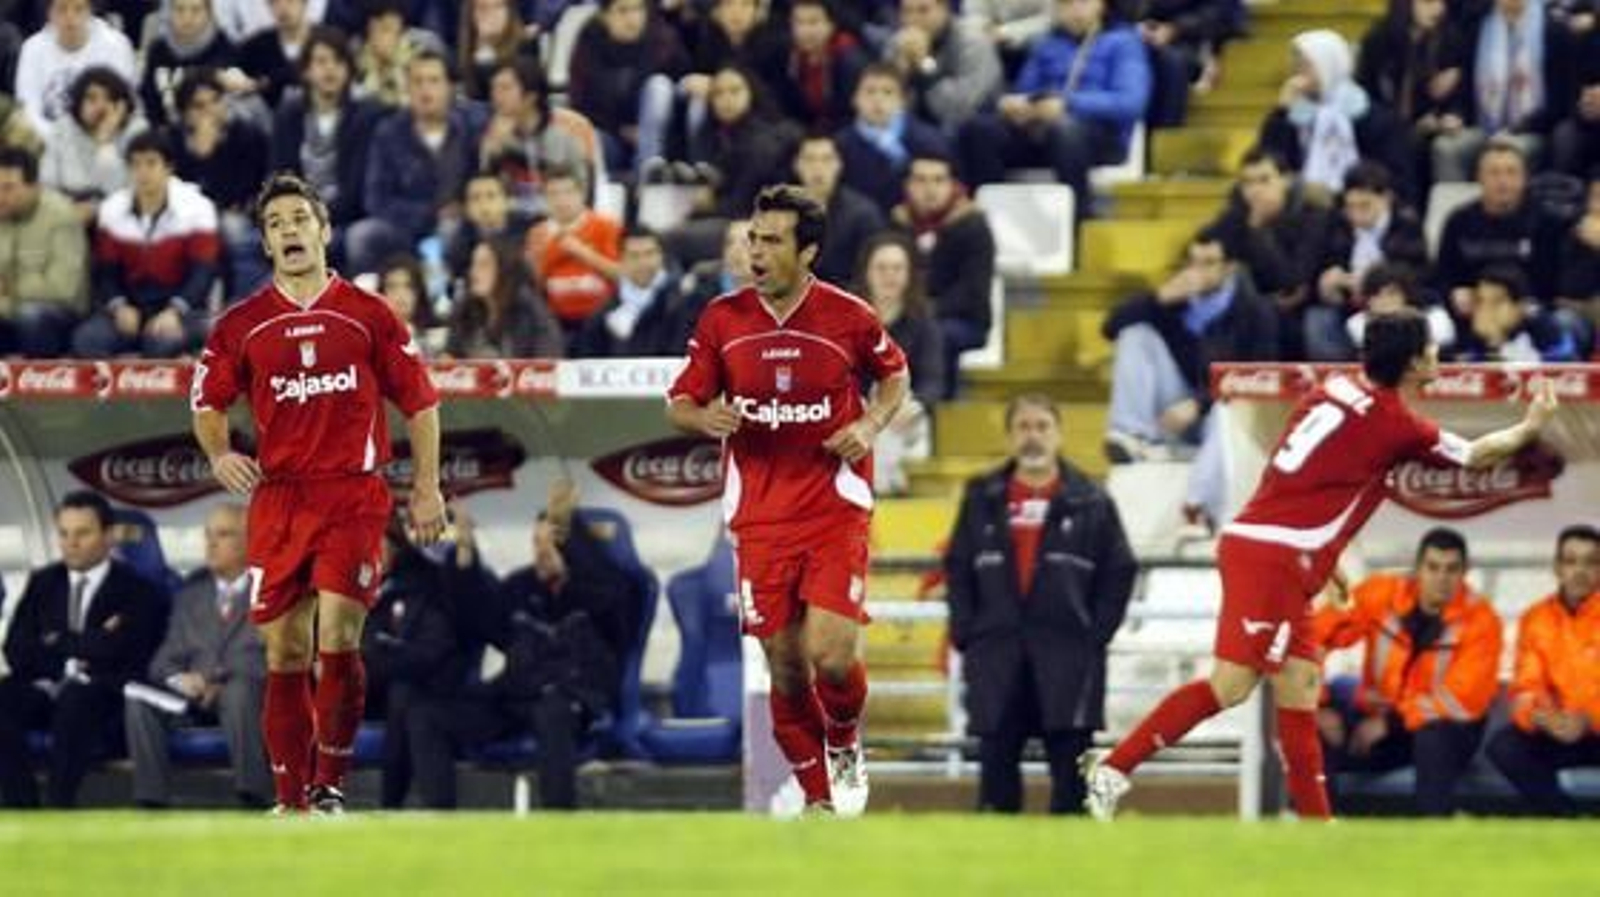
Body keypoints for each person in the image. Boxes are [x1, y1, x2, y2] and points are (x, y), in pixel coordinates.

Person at [1082, 309, 1560, 821]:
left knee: (1301, 683)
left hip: (1279, 548)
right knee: (1232, 686)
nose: (1438, 354)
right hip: (1275, 557)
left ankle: (1317, 826)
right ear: (1413, 359)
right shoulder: (1395, 422)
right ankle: (1113, 770)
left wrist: (1324, 557)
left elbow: (1307, 475)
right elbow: (1477, 455)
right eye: (1431, 347)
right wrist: (1531, 425)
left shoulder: (1335, 386)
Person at [189, 172, 444, 814]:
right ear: (267, 245)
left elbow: (420, 401)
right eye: (276, 225)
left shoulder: (368, 313)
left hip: (352, 495)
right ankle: (290, 800)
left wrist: (428, 487)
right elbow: (206, 401)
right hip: (279, 499)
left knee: (339, 633)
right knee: (286, 649)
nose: (289, 231)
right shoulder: (242, 324)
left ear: (324, 231)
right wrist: (220, 453)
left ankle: (329, 785)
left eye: (300, 219)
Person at [667, 185, 910, 815]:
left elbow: (895, 374)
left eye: (772, 240)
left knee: (831, 655)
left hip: (834, 508)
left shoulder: (848, 317)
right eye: (753, 237)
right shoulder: (723, 319)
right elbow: (680, 401)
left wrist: (871, 425)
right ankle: (818, 800)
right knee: (786, 667)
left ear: (808, 252)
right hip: (760, 519)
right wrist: (705, 419)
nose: (757, 251)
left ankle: (846, 742)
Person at [945, 394, 1137, 813]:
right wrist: (967, 634)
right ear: (1010, 436)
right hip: (996, 654)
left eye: (1042, 427)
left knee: (1071, 786)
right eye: (1024, 427)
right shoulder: (982, 496)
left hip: (1069, 657)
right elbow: (958, 568)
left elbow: (1120, 571)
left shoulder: (1092, 499)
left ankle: (1072, 870)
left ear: (1059, 434)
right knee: (995, 780)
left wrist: (1093, 636)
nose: (1033, 437)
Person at [405, 489, 636, 810]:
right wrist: (466, 550)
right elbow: (478, 617)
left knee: (552, 710)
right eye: (537, 544)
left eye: (550, 544)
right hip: (515, 697)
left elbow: (612, 606)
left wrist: (569, 569)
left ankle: (559, 827)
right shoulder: (520, 586)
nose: (542, 552)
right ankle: (442, 823)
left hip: (571, 699)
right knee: (426, 716)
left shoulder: (603, 589)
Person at [1311, 527, 1503, 816]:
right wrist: (1320, 705)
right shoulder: (1381, 594)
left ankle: (1432, 834)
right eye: (1433, 567)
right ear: (1417, 569)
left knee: (1433, 737)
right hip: (1380, 725)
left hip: (1448, 732)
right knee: (1313, 728)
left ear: (1465, 573)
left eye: (1452, 569)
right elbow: (1311, 637)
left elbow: (1462, 700)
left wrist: (1391, 723)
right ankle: (1319, 829)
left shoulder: (1482, 620)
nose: (1442, 578)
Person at [0, 491, 168, 808]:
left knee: (77, 698)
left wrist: (56, 640)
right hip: (45, 686)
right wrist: (88, 642)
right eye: (64, 534)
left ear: (107, 536)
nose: (70, 543)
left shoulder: (137, 589)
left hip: (103, 694)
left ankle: (59, 805)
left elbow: (129, 655)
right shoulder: (43, 582)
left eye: (82, 533)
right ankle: (22, 807)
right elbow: (17, 650)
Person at [123, 504, 271, 809]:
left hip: (250, 693)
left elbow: (282, 657)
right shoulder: (191, 595)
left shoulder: (275, 591)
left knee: (240, 692)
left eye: (224, 534)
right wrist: (181, 679)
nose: (211, 543)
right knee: (139, 699)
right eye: (208, 535)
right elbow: (162, 663)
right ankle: (152, 801)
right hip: (191, 696)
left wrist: (219, 679)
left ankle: (254, 796)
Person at [956, 0, 1153, 212]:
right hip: (1041, 129)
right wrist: (1018, 105)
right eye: (1066, 3)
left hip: (1100, 134)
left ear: (1101, 5)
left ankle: (1079, 220)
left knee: (1065, 130)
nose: (1075, 10)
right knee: (979, 129)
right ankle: (989, 218)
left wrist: (1068, 104)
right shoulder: (1046, 43)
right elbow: (1026, 89)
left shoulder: (1124, 42)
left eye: (1083, 2)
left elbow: (1130, 102)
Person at [74, 130, 220, 358]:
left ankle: (194, 345)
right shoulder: (112, 209)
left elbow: (203, 273)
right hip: (132, 305)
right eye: (136, 165)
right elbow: (106, 272)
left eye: (151, 164)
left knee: (159, 344)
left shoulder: (197, 208)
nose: (142, 173)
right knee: (87, 340)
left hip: (184, 307)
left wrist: (175, 311)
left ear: (169, 167)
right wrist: (119, 306)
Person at [1487, 525, 1600, 816]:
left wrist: (1589, 719)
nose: (1580, 571)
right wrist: (1544, 717)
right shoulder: (1535, 618)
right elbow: (1527, 686)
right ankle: (1568, 820)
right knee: (1504, 746)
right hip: (1559, 731)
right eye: (1571, 561)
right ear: (1557, 567)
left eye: (1590, 562)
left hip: (1594, 728)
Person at [891, 152, 997, 398]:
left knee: (935, 336)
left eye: (939, 180)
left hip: (964, 320)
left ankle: (935, 410)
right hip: (909, 315)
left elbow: (972, 290)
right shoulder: (897, 223)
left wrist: (923, 311)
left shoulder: (973, 225)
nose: (930, 188)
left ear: (952, 185)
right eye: (921, 180)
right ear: (908, 185)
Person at [0, 145, 89, 357]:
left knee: (31, 316)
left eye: (8, 187)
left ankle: (39, 386)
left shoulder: (61, 217)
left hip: (59, 313)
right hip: (7, 307)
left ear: (35, 187)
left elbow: (62, 288)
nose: (0, 195)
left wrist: (9, 287)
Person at [444, 239, 564, 359]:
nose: (473, 272)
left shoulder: (528, 308)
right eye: (473, 264)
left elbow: (548, 357)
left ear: (503, 268)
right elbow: (450, 356)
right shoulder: (464, 308)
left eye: (484, 265)